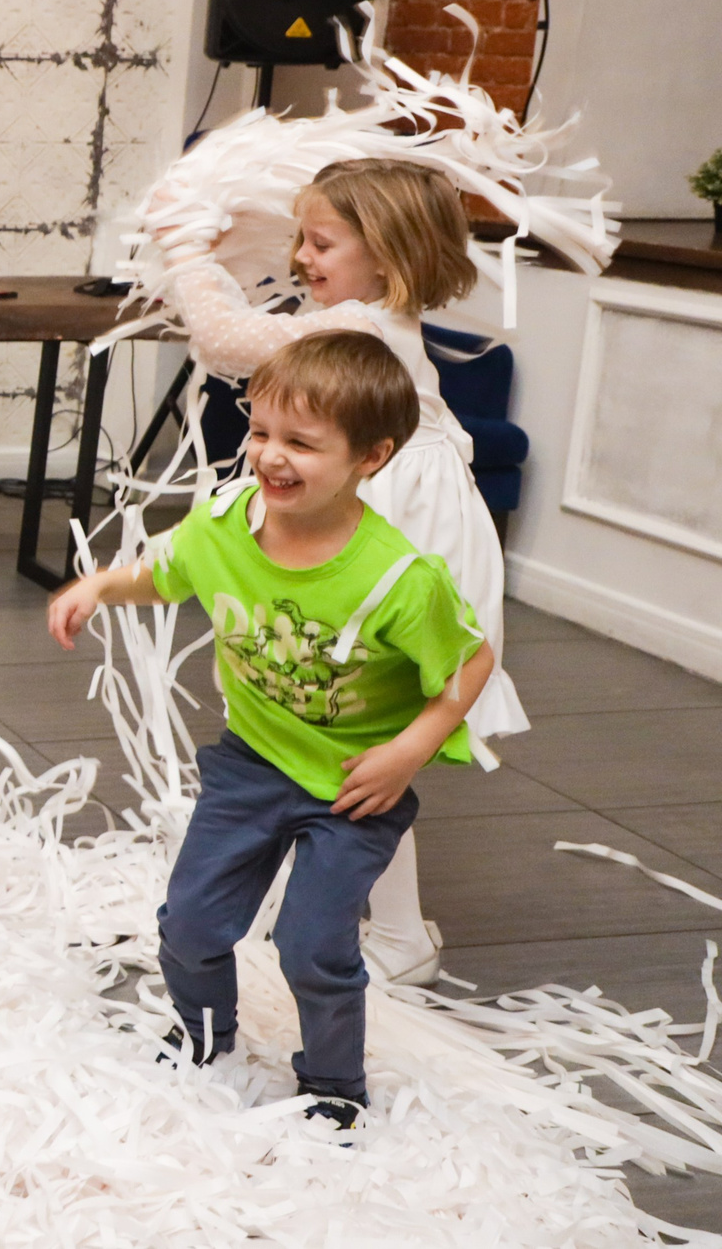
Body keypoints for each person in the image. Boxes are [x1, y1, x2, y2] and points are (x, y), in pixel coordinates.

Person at [47, 332, 495, 1129]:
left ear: (372, 456)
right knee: (188, 922)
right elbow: (168, 572)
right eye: (260, 432)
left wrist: (408, 750)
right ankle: (203, 1034)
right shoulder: (225, 524)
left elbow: (473, 660)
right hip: (251, 763)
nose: (271, 456)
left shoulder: (397, 579)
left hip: (352, 787)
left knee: (312, 944)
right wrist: (100, 586)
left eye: (301, 443)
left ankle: (333, 1086)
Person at [155, 156, 516, 986]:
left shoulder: (360, 328)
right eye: (300, 239)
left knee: (363, 738)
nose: (301, 258)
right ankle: (377, 915)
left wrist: (187, 249)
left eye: (321, 241)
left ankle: (393, 933)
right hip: (407, 507)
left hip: (407, 526)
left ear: (384, 254)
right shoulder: (377, 315)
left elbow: (223, 339)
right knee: (354, 735)